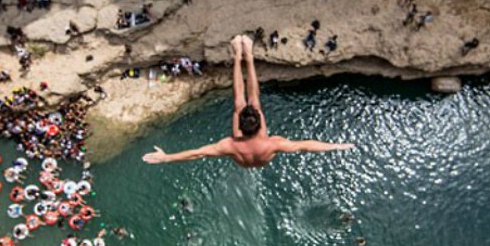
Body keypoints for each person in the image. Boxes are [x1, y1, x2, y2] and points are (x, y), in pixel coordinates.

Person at [143, 35, 354, 168]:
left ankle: (238, 56)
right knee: (253, 101)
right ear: (260, 125)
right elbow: (306, 146)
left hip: (241, 157)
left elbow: (196, 153)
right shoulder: (272, 143)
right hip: (262, 156)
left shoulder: (229, 145)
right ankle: (249, 56)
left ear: (239, 129)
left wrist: (167, 157)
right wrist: (335, 146)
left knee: (240, 103)